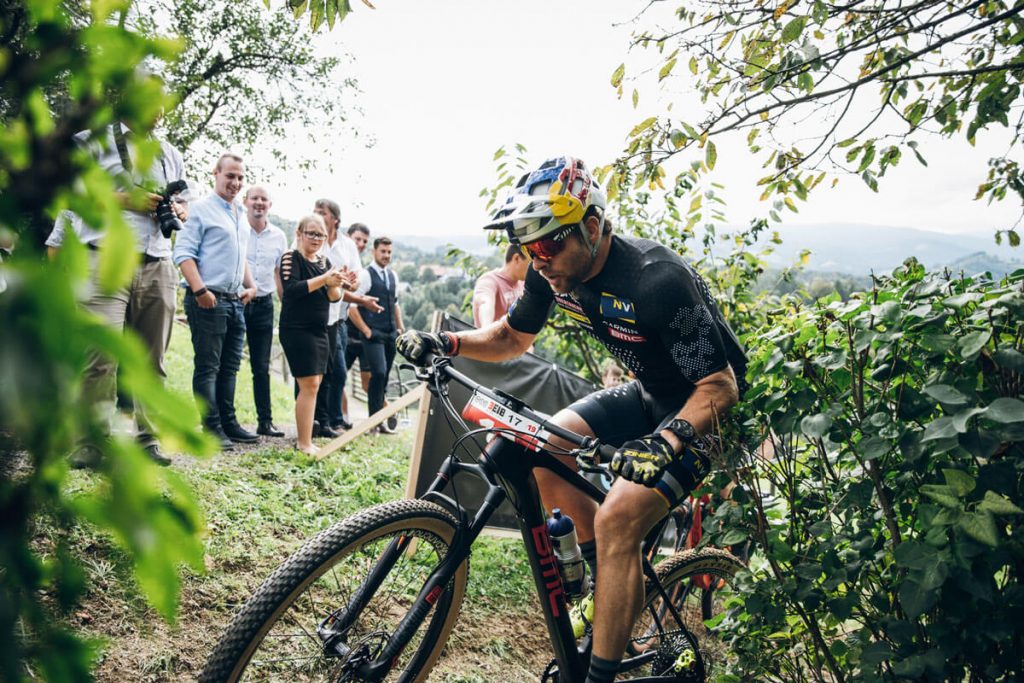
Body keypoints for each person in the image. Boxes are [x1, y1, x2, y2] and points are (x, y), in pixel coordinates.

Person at [397, 156, 747, 683]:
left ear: (591, 225)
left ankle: (598, 675)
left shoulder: (657, 280)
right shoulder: (554, 271)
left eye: (548, 244)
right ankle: (607, 577)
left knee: (618, 518)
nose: (537, 260)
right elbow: (513, 338)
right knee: (538, 448)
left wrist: (666, 441)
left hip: (706, 409)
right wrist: (447, 341)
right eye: (527, 248)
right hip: (650, 392)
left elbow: (721, 386)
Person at [45, 121, 188, 467]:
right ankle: (90, 442)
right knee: (99, 357)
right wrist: (128, 199)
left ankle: (148, 438)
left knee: (152, 360)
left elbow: (183, 203)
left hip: (157, 261)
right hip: (104, 258)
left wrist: (179, 209)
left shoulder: (170, 153)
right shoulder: (91, 140)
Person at [173, 153, 260, 451]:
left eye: (240, 177)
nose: (235, 182)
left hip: (236, 301)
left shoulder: (239, 214)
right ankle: (210, 427)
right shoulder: (200, 210)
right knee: (208, 366)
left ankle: (229, 422)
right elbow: (183, 254)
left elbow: (241, 256)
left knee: (230, 367)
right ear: (216, 174)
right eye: (230, 176)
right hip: (208, 299)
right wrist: (200, 292)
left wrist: (251, 286)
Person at [277, 215, 353, 454]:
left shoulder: (324, 261)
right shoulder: (291, 257)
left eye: (320, 234)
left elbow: (334, 297)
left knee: (315, 384)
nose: (316, 239)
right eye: (311, 233)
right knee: (309, 384)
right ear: (299, 233)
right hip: (297, 329)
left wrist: (336, 284)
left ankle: (306, 438)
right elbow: (291, 291)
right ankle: (303, 442)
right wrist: (324, 279)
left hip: (320, 330)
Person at [312, 203, 382, 436]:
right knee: (315, 372)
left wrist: (354, 289)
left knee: (337, 372)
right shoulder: (311, 240)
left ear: (336, 220)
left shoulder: (346, 246)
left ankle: (330, 421)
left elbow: (354, 280)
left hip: (337, 319)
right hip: (314, 316)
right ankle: (317, 421)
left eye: (323, 214)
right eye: (316, 212)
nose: (318, 217)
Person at [242, 185, 288, 438]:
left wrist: (284, 306)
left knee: (261, 366)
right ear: (245, 202)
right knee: (226, 365)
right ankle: (219, 422)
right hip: (237, 302)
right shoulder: (237, 228)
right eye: (254, 199)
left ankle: (265, 421)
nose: (259, 203)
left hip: (264, 305)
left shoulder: (279, 236)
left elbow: (278, 273)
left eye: (264, 199)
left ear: (270, 204)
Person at [350, 236, 405, 433]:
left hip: (390, 334)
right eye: (383, 251)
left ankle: (379, 421)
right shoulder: (365, 275)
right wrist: (366, 331)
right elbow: (352, 307)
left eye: (389, 252)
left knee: (384, 377)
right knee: (378, 373)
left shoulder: (393, 276)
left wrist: (400, 328)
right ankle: (373, 422)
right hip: (373, 335)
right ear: (374, 252)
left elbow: (395, 303)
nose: (386, 255)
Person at [342, 222, 371, 423]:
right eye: (357, 239)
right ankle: (342, 416)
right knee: (339, 376)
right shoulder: (344, 260)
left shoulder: (361, 269)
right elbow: (351, 306)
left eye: (364, 241)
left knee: (367, 382)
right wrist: (367, 330)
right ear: (348, 237)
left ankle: (343, 416)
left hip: (358, 335)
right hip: (346, 328)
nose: (360, 244)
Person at [472, 243, 529, 327]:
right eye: (530, 263)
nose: (534, 267)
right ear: (516, 258)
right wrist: (486, 328)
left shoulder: (523, 282)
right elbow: (485, 303)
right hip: (491, 338)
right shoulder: (489, 280)